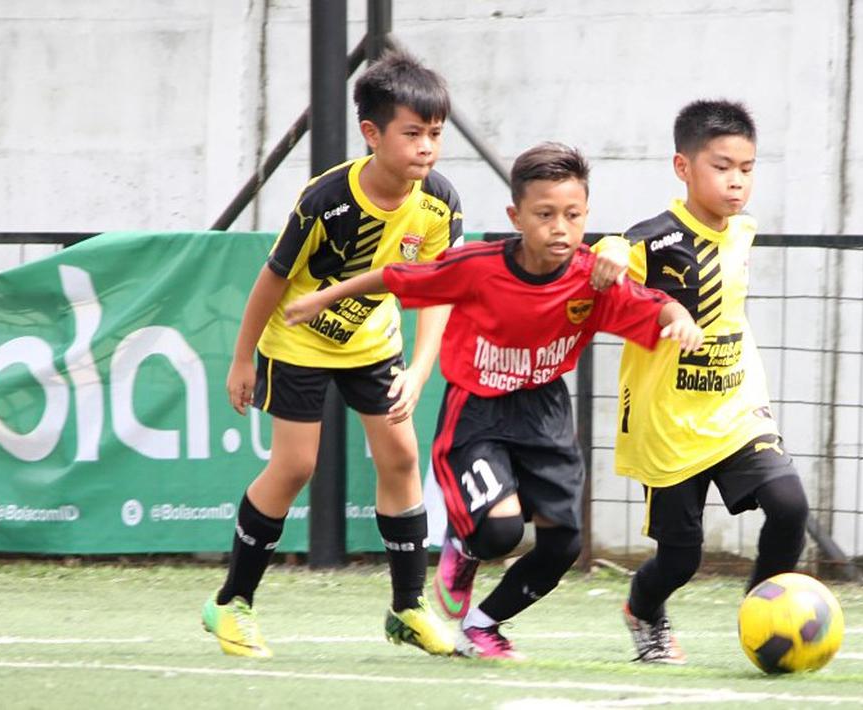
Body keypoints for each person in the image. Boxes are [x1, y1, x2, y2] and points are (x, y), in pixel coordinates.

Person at [285, 142, 704, 660]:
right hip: (478, 412)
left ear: (586, 216)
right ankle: (466, 546)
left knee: (563, 545)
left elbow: (651, 305)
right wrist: (321, 298)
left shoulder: (592, 279)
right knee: (500, 531)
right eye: (544, 214)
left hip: (546, 414)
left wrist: (678, 318)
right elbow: (396, 277)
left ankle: (484, 625)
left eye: (572, 216)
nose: (559, 228)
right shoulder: (478, 266)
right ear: (516, 216)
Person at [201, 50, 461, 659]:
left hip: (374, 343)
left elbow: (438, 288)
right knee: (295, 466)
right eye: (413, 133)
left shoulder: (440, 201)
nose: (427, 147)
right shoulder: (326, 199)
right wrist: (243, 360)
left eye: (436, 135)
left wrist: (421, 369)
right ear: (372, 134)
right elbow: (271, 279)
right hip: (297, 343)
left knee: (400, 455)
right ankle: (230, 603)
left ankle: (407, 608)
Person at [590, 100, 810, 665]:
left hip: (736, 407)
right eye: (721, 167)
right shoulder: (656, 240)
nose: (737, 182)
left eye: (747, 168)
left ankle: (765, 614)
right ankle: (643, 607)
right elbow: (612, 250)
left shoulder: (743, 231)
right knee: (681, 558)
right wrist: (611, 250)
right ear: (683, 168)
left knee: (789, 505)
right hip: (668, 424)